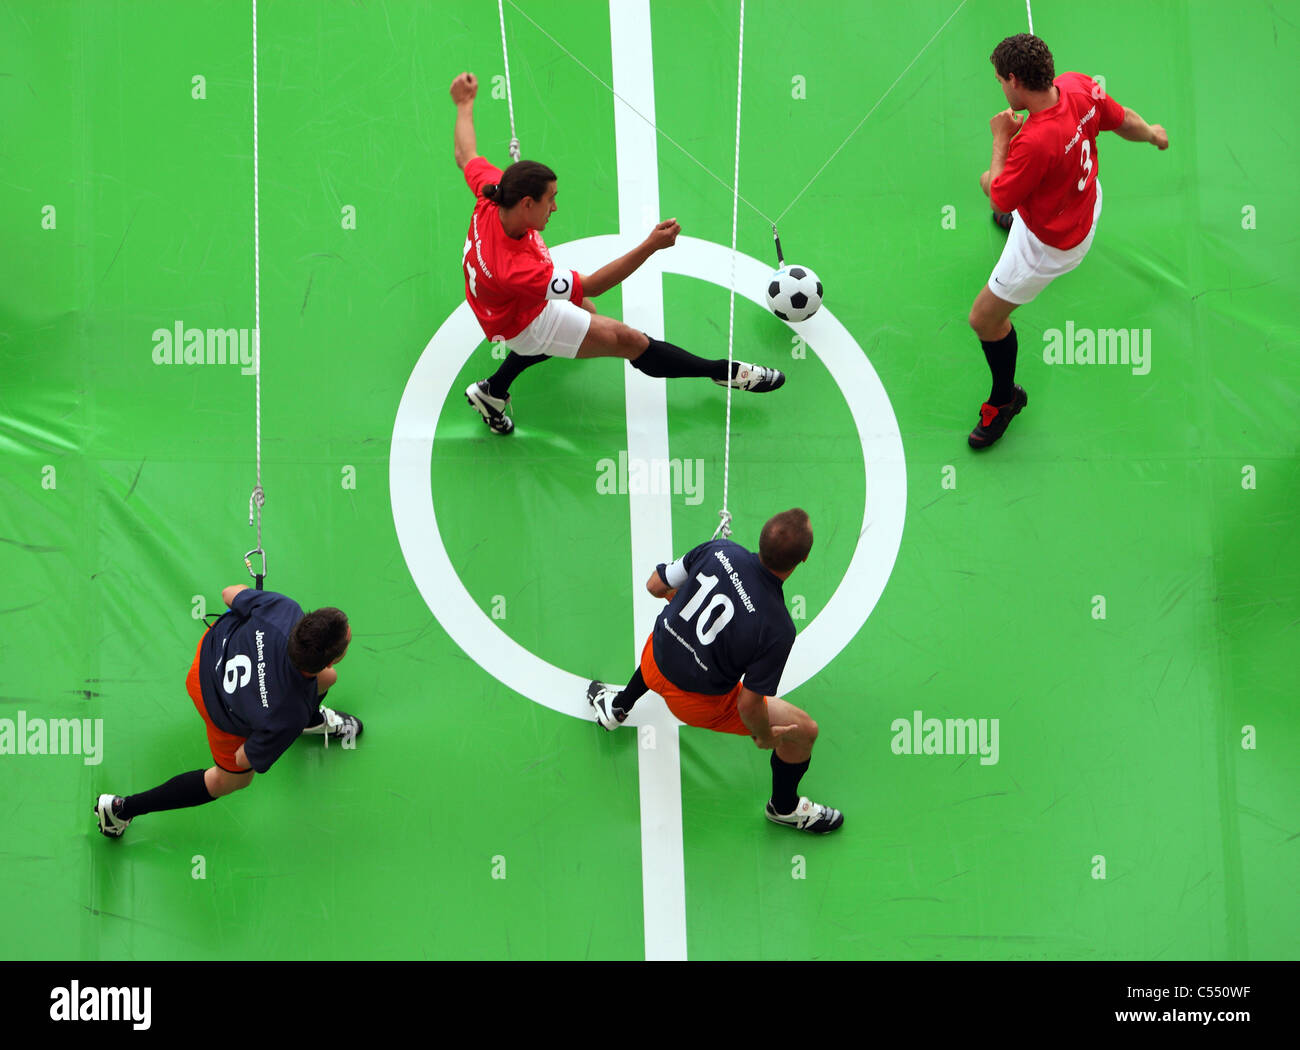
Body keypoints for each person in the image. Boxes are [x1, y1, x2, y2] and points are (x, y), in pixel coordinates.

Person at [449, 71, 785, 436]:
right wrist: (650, 246)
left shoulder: (491, 194)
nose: (556, 208)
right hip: (526, 322)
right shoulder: (517, 269)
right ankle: (723, 371)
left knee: (584, 312)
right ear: (527, 203)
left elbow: (465, 154)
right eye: (551, 200)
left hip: (502, 304)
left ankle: (493, 391)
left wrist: (464, 103)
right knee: (629, 341)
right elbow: (593, 284)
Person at [967, 34, 1169, 448]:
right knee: (1021, 199)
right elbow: (1123, 118)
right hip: (1082, 199)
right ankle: (1018, 220)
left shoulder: (1032, 142)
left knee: (984, 320)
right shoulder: (1078, 85)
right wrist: (1152, 134)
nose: (1001, 89)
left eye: (1000, 81)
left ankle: (1005, 400)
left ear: (1014, 80)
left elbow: (1000, 190)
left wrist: (1001, 137)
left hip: (1050, 244)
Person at [587, 508, 842, 833]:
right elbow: (749, 705)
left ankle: (616, 707)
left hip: (654, 659)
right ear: (803, 559)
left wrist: (682, 606)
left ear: (762, 537)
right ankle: (784, 807)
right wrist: (764, 736)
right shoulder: (777, 627)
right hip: (696, 703)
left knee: (674, 638)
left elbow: (654, 585)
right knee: (804, 731)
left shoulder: (720, 550)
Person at [94, 585, 361, 838]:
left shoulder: (283, 610)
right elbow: (243, 758)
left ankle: (313, 722)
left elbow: (228, 594)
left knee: (327, 679)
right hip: (215, 706)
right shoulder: (289, 716)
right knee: (233, 779)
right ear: (335, 657)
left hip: (209, 655)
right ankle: (119, 809)